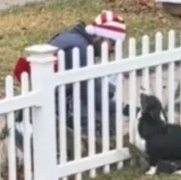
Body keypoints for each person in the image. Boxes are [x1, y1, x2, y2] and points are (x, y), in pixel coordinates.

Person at [11, 10, 130, 142]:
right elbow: (87, 94)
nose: (112, 49)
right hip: (46, 112)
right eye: (112, 44)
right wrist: (122, 108)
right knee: (99, 108)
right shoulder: (81, 50)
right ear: (100, 37)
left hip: (43, 103)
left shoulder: (74, 37)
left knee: (104, 93)